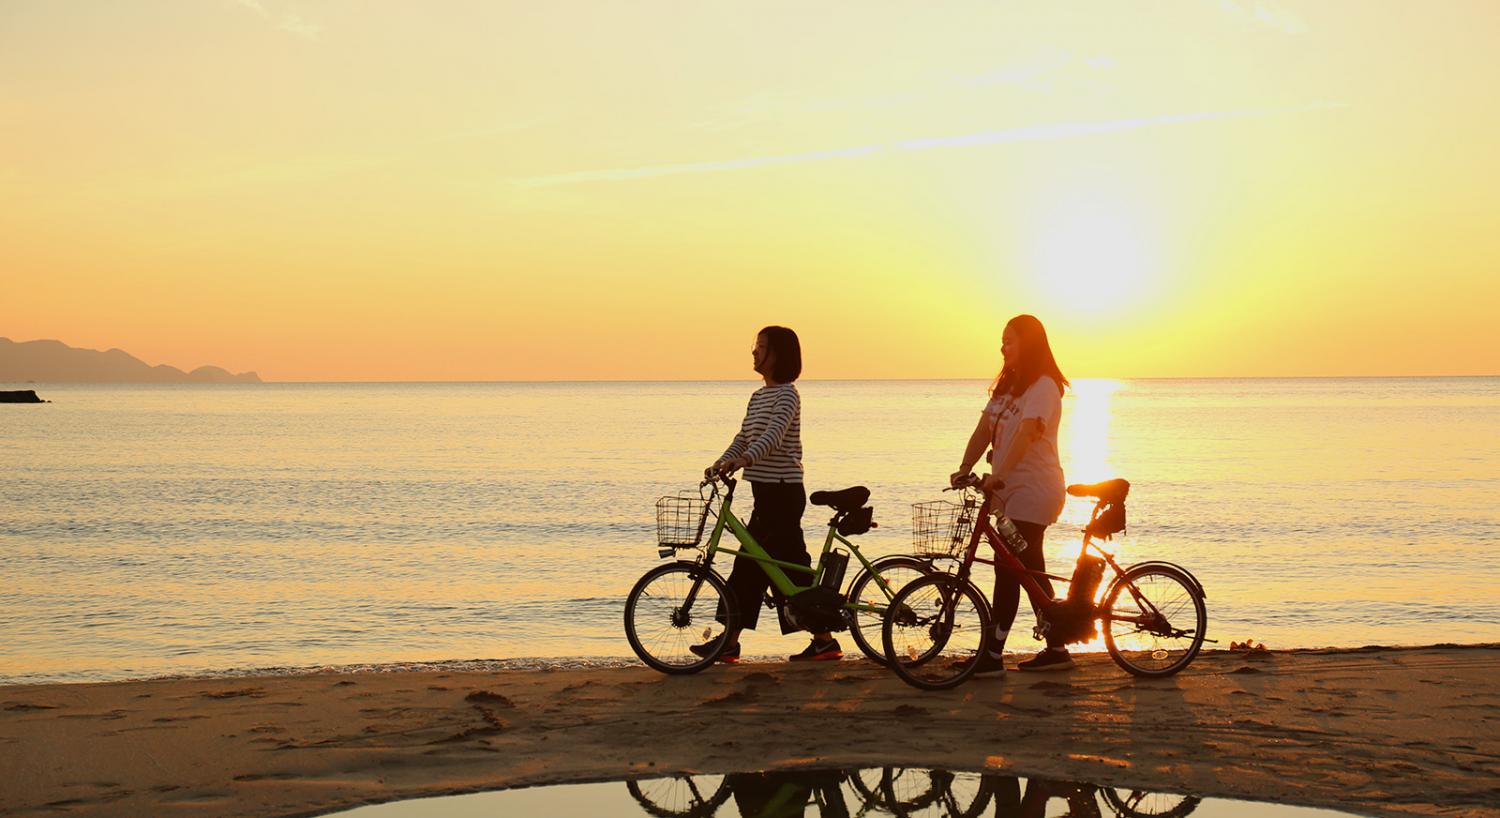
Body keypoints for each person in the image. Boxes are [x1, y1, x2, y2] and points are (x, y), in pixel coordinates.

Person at [692, 326, 841, 663]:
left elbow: (773, 436)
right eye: (755, 346)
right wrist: (722, 460)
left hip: (783, 492)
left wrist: (744, 460)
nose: (755, 352)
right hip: (764, 492)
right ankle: (821, 639)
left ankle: (733, 642)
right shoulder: (759, 396)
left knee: (763, 566)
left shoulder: (788, 394)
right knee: (774, 567)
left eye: (761, 347)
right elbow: (744, 436)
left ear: (779, 354)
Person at [950, 314, 1071, 674]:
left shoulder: (1044, 387)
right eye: (1002, 340)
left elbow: (1029, 433)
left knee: (1009, 569)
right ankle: (1057, 644)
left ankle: (992, 654)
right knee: (1029, 568)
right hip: (1006, 491)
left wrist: (998, 475)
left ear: (1029, 344)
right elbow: (983, 430)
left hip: (1034, 491)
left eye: (1009, 340)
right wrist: (964, 467)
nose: (1002, 347)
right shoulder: (1008, 388)